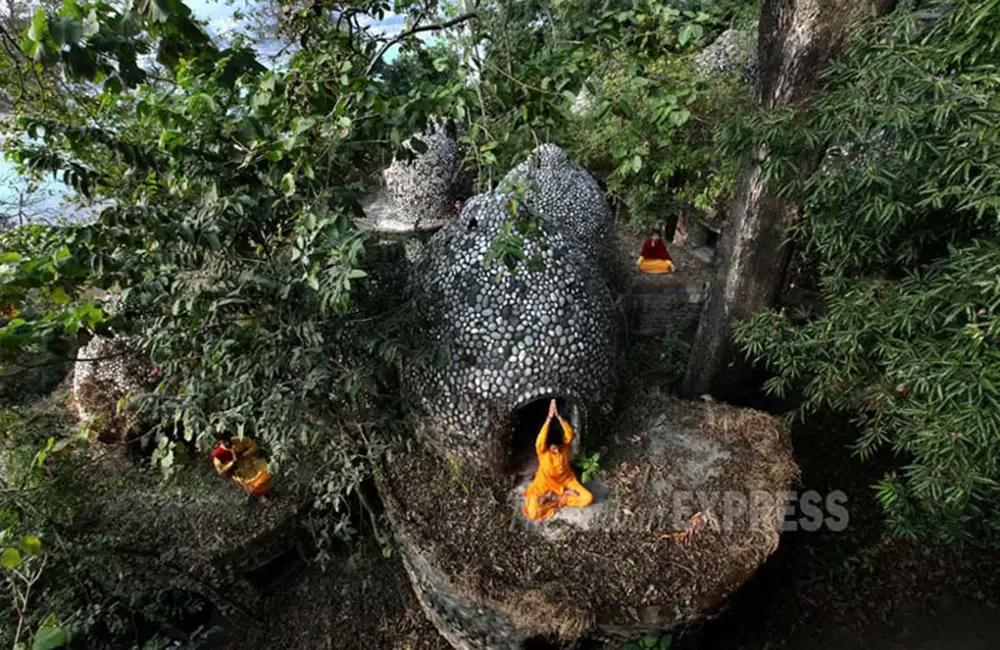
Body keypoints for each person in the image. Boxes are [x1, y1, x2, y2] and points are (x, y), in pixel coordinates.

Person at [522, 399, 593, 521]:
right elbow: (540, 439)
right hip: (544, 485)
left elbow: (569, 434)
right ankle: (555, 500)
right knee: (533, 513)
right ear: (548, 446)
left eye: (557, 447)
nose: (555, 450)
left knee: (588, 498)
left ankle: (559, 499)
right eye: (553, 448)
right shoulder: (543, 452)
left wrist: (559, 417)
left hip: (566, 481)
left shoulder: (565, 448)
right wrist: (549, 418)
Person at [211, 434, 273, 502]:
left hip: (252, 463)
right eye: (224, 442)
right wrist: (232, 463)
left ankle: (270, 491)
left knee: (266, 477)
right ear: (220, 442)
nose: (228, 443)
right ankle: (262, 497)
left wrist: (245, 454)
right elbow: (221, 471)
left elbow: (253, 446)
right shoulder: (218, 454)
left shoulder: (239, 440)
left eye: (228, 440)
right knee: (255, 487)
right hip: (241, 473)